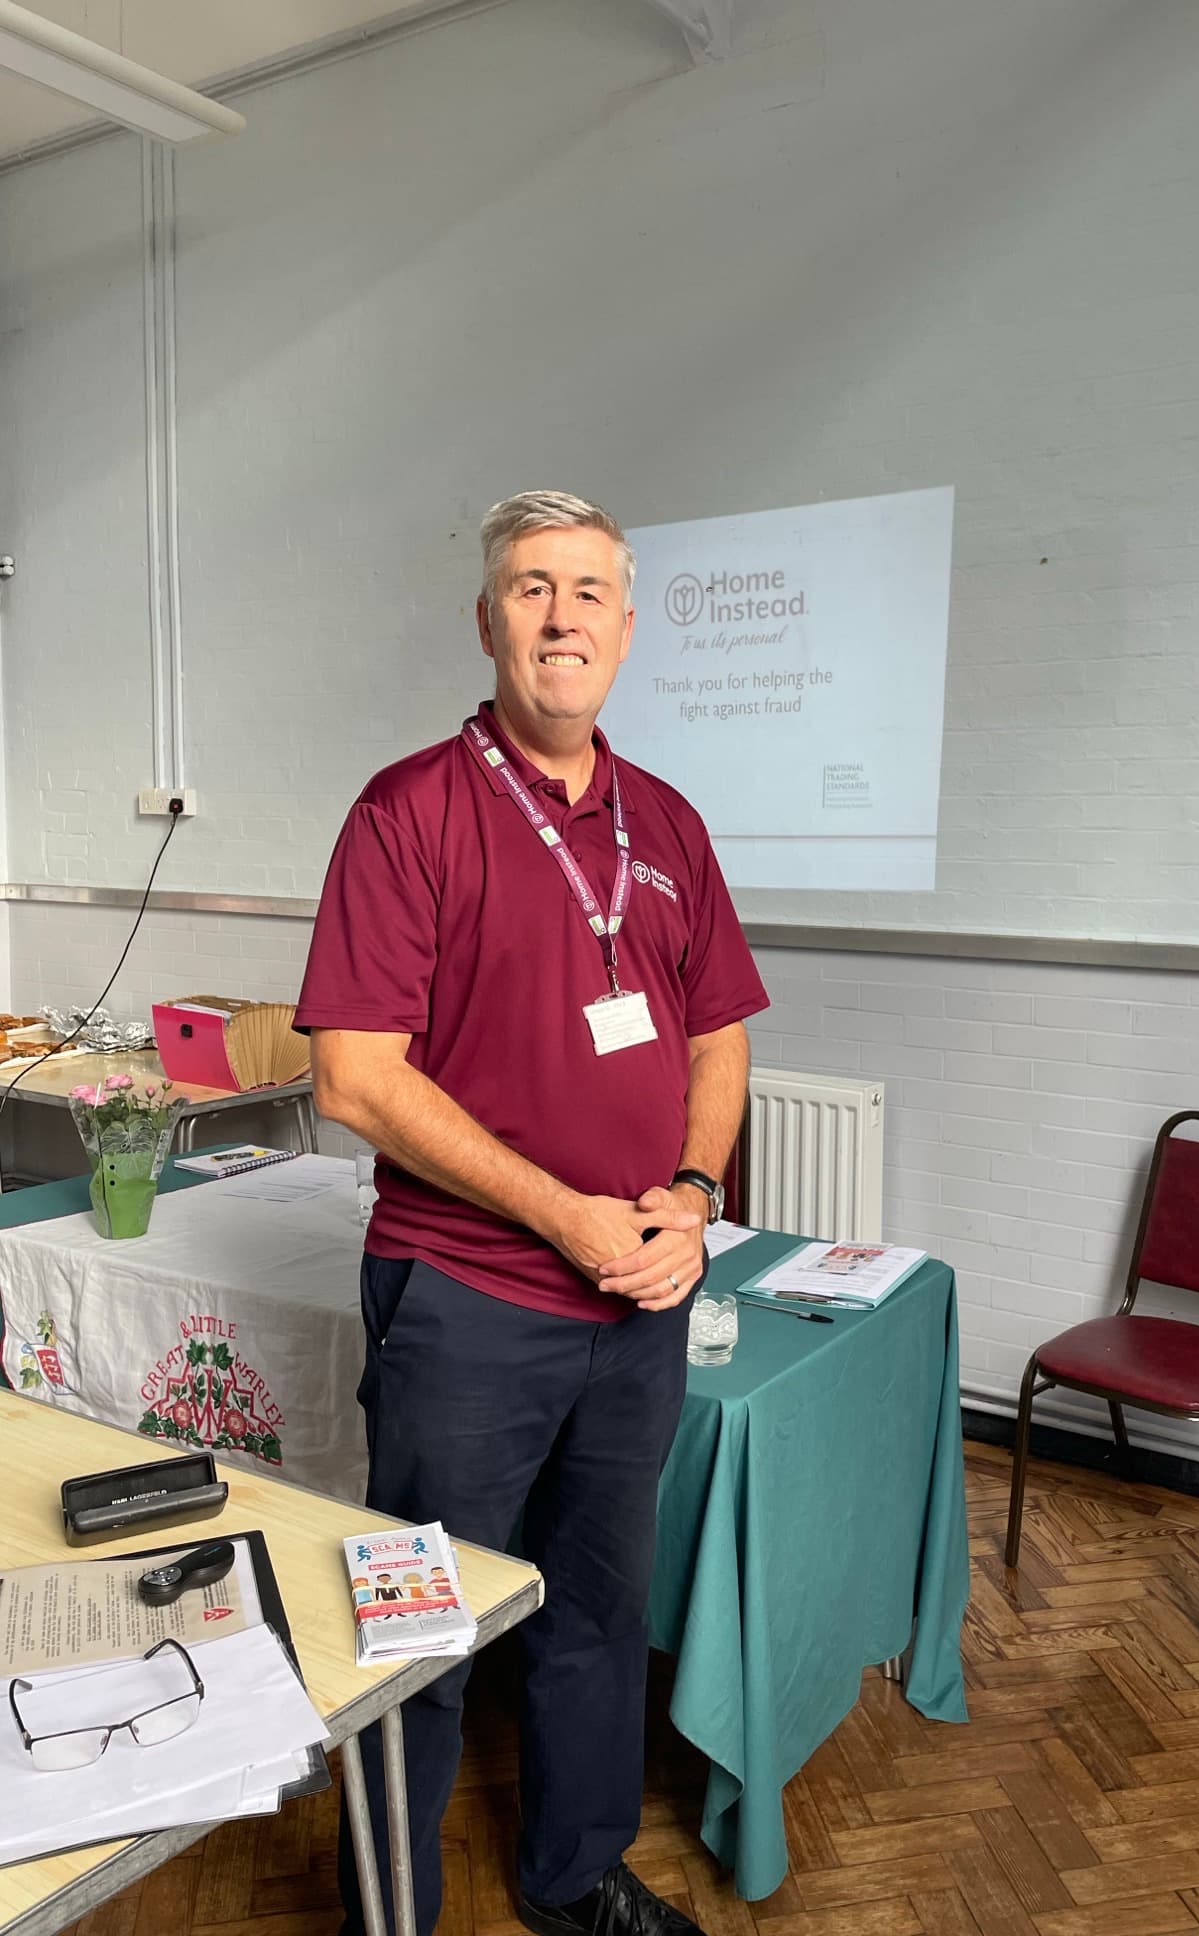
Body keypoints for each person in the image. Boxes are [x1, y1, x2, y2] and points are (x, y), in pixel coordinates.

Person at [295, 490, 768, 1936]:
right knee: (423, 1626)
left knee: (596, 1614)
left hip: (637, 1304)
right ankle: (397, 1909)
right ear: (488, 619)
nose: (560, 616)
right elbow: (358, 1082)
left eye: (586, 591)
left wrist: (690, 1199)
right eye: (529, 589)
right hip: (466, 1305)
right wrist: (565, 1214)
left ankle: (573, 1874)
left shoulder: (669, 824)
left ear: (628, 625)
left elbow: (718, 1040)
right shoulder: (408, 814)